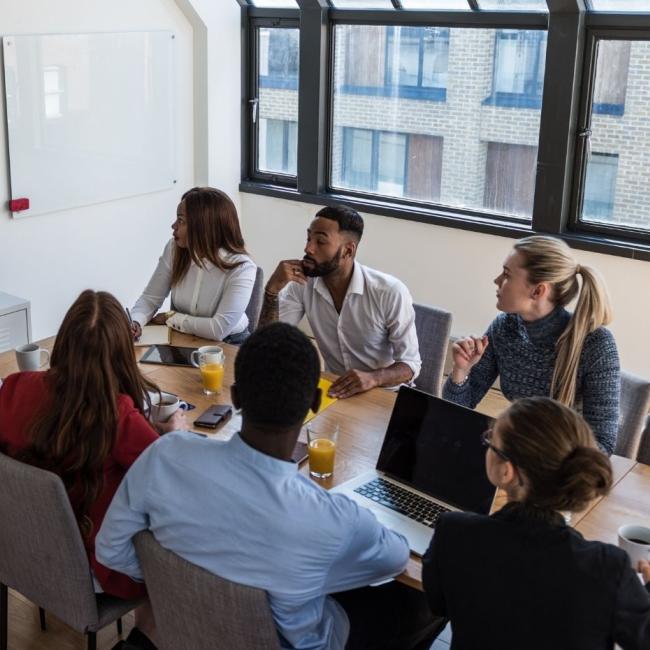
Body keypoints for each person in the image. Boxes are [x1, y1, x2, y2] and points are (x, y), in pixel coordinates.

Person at [96, 323, 440, 650]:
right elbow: (395, 558)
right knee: (426, 601)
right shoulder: (331, 519)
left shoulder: (165, 454)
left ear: (235, 396)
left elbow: (110, 549)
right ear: (315, 404)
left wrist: (181, 587)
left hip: (188, 631)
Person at [0, 290, 187, 650]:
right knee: (172, 560)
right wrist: (173, 437)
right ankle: (146, 635)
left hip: (21, 550)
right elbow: (172, 480)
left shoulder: (15, 387)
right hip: (93, 567)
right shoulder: (115, 415)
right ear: (121, 356)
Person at [422, 396, 650, 650]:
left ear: (506, 471)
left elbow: (438, 604)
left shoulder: (453, 532)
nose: (486, 444)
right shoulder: (608, 569)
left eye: (490, 440)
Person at [443, 235, 620, 455]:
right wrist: (461, 370)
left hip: (566, 475)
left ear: (538, 291)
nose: (496, 280)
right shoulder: (504, 327)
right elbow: (456, 412)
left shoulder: (597, 345)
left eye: (507, 275)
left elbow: (602, 446)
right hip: (519, 459)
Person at [259, 205, 420, 399]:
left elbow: (410, 365)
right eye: (309, 238)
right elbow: (266, 346)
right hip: (334, 392)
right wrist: (272, 290)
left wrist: (373, 378)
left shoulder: (389, 292)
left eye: (320, 241)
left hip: (384, 396)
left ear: (348, 250)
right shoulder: (302, 283)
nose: (308, 248)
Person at [130, 186, 256, 343]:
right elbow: (150, 298)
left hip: (230, 343)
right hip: (182, 336)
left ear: (203, 228)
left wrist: (172, 317)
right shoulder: (174, 248)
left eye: (181, 220)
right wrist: (135, 322)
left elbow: (218, 329)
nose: (173, 225)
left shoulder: (242, 267)